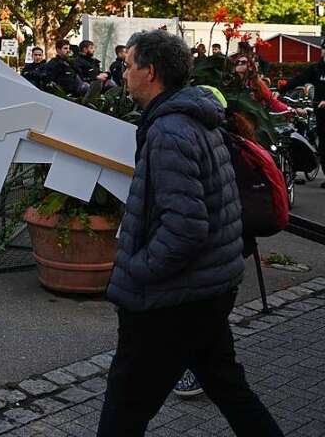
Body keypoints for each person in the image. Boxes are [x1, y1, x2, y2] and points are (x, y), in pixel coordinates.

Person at [97, 30, 282, 437]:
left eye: (129, 66)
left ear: (150, 71)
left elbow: (185, 226)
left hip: (171, 300)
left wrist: (139, 270)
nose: (124, 74)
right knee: (230, 390)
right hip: (206, 290)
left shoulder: (170, 131)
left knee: (123, 410)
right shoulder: (192, 119)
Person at [278, 48, 325, 170]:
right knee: (323, 145)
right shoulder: (316, 68)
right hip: (320, 111)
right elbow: (299, 79)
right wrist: (280, 91)